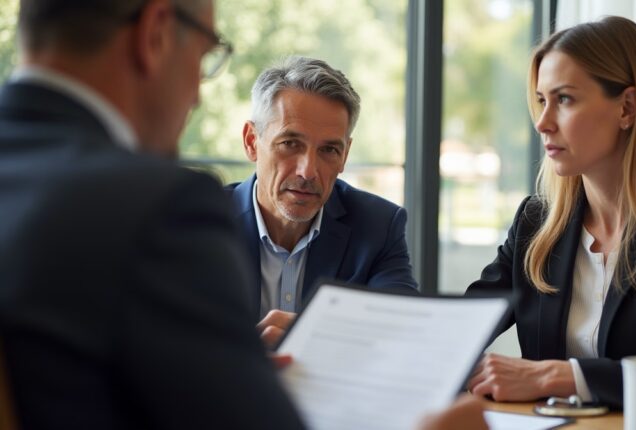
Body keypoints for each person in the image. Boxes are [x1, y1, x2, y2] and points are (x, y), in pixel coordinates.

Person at [0, 0, 484, 428]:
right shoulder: (162, 209)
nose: (197, 95)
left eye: (329, 151)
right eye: (205, 56)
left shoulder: (377, 223)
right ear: (155, 34)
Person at [465, 16, 636, 411]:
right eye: (542, 100)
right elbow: (456, 335)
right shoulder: (536, 224)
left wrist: (558, 376)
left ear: (627, 107)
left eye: (564, 99)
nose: (542, 123)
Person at [226, 56, 418, 346]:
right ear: (252, 142)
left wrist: (311, 337)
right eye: (290, 144)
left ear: (345, 155)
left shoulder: (378, 226)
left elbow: (405, 333)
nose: (308, 172)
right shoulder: (197, 222)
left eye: (329, 149)